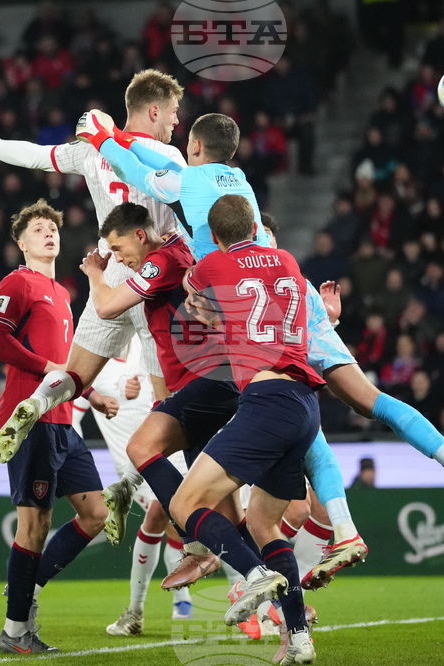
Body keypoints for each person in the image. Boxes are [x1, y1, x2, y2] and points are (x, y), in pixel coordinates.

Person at [83, 109, 444, 580]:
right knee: (369, 403)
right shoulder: (239, 183)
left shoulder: (191, 186)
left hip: (255, 319)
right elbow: (156, 165)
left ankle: (287, 541)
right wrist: (120, 138)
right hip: (294, 297)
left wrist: (103, 139)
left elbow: (140, 172)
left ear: (194, 148)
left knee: (296, 411)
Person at [0, 69, 199, 627]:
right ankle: (170, 508)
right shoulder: (168, 160)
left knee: (76, 377)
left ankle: (59, 414)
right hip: (153, 288)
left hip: (106, 284)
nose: (177, 124)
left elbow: (33, 155)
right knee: (171, 414)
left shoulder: (93, 151)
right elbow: (194, 214)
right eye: (173, 115)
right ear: (153, 111)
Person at [172, 193, 323, 663]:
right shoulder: (287, 261)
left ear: (215, 236)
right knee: (262, 521)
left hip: (264, 402)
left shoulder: (213, 265)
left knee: (184, 503)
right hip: (304, 404)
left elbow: (189, 286)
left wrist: (206, 308)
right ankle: (299, 637)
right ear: (257, 228)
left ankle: (252, 574)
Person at [80, 201, 243, 633]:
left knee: (143, 450)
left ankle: (198, 544)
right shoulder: (179, 250)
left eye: (117, 249)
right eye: (110, 254)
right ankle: (272, 594)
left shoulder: (161, 259)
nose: (117, 258)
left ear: (139, 234)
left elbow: (107, 307)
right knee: (231, 511)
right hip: (202, 384)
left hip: (202, 385)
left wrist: (96, 273)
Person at [0, 200, 117, 653]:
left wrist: (91, 393)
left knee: (97, 514)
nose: (48, 235)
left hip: (63, 422)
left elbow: (67, 369)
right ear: (21, 242)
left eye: (52, 229)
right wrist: (46, 367)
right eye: (37, 230)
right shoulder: (16, 282)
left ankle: (26, 590)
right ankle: (15, 631)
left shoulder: (62, 294)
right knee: (34, 524)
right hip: (29, 420)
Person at [70, 336, 196, 629]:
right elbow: (73, 412)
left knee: (180, 517)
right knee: (159, 512)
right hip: (132, 460)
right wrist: (73, 456)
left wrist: (148, 388)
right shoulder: (92, 360)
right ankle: (138, 610)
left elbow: (172, 385)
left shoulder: (147, 341)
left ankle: (172, 598)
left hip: (171, 445)